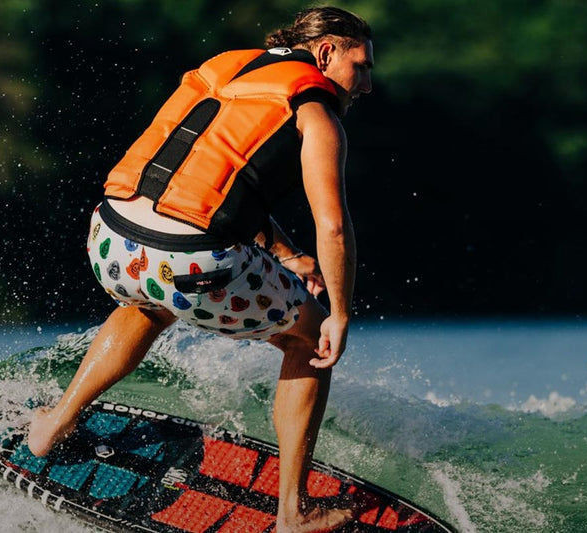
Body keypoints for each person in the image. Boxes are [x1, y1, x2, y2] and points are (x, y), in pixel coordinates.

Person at [25, 6, 373, 532]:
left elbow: (207, 184)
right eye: (360, 67)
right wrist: (340, 314)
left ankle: (55, 422)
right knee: (310, 339)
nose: (365, 85)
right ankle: (293, 513)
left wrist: (285, 254)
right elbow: (335, 228)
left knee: (150, 302)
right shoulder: (315, 112)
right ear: (325, 53)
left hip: (109, 239)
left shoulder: (224, 67)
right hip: (190, 261)